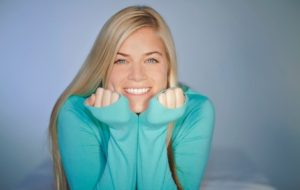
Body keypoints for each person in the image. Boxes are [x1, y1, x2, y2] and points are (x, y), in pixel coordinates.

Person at [49, 5, 215, 190]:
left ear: (168, 65)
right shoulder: (76, 111)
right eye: (121, 60)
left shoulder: (196, 110)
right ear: (103, 66)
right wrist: (121, 129)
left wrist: (154, 128)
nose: (137, 75)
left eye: (151, 60)